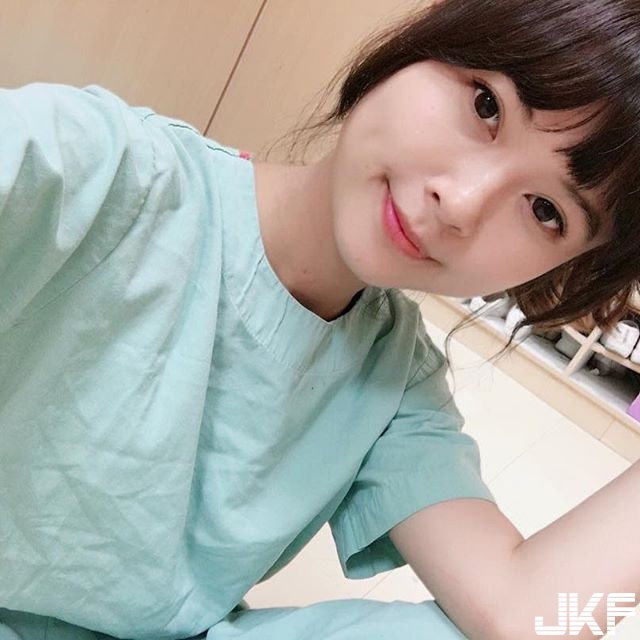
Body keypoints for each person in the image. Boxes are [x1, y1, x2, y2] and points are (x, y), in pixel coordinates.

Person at [0, 0, 639, 638]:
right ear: (425, 42)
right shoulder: (98, 170)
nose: (461, 203)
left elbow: (535, 623)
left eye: (545, 210)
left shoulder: (392, 383)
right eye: (486, 105)